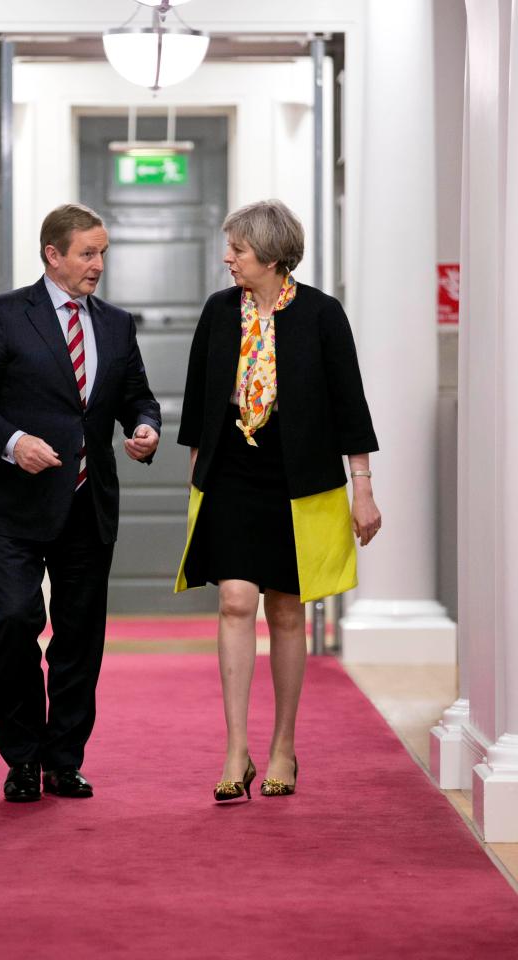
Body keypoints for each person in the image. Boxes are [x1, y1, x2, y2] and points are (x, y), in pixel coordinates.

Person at [0, 203, 161, 802]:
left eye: (103, 253)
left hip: (88, 505)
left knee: (79, 639)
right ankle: (21, 759)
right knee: (16, 622)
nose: (99, 265)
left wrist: (145, 428)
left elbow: (137, 397)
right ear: (53, 254)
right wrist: (13, 443)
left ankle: (63, 760)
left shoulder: (116, 324)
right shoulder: (5, 315)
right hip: (14, 506)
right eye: (88, 253)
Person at [175, 199, 379, 801]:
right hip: (233, 471)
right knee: (236, 598)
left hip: (300, 477)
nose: (228, 258)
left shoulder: (321, 314)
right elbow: (197, 395)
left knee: (287, 610)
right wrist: (198, 473)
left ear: (270, 253)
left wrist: (362, 487)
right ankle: (235, 748)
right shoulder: (219, 311)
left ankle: (283, 746)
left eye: (238, 249)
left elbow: (350, 405)